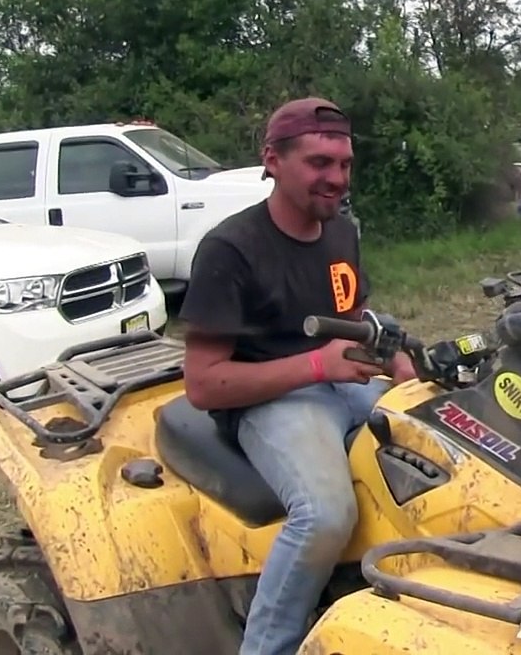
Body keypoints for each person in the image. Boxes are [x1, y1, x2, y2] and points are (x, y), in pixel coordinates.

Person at [177, 96, 418, 655]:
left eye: (345, 164)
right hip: (269, 402)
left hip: (345, 384)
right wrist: (314, 365)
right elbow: (203, 383)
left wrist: (394, 360)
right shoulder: (230, 249)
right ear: (273, 160)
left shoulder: (341, 233)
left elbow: (354, 320)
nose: (336, 178)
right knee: (326, 515)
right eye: (319, 163)